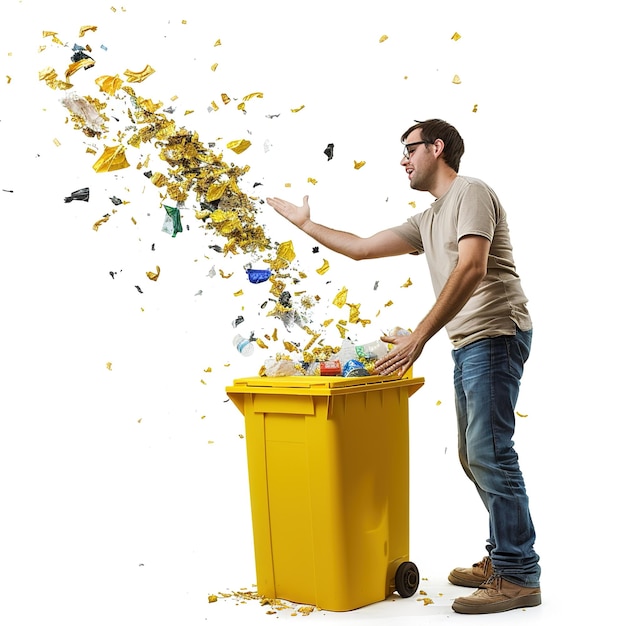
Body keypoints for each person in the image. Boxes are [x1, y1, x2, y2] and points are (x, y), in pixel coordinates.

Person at [266, 119, 541, 615]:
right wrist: (306, 225)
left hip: (496, 335)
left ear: (437, 148)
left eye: (409, 149)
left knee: (489, 453)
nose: (403, 159)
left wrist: (418, 337)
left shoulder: (471, 193)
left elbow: (473, 267)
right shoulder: (429, 218)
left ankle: (519, 574)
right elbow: (362, 248)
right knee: (474, 454)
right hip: (468, 342)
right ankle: (505, 554)